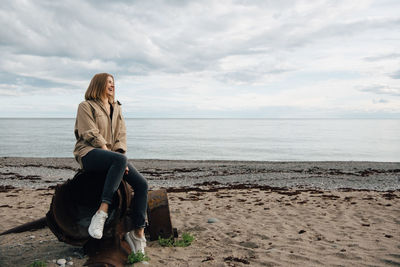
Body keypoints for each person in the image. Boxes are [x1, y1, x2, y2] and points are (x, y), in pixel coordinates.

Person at [73, 73, 148, 254]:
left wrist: (119, 155)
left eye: (113, 83)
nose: (112, 85)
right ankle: (101, 212)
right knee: (120, 160)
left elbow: (121, 135)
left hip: (113, 157)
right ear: (98, 85)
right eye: (108, 82)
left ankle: (138, 233)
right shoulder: (85, 106)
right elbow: (89, 133)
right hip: (89, 153)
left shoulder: (117, 108)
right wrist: (112, 155)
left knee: (142, 184)